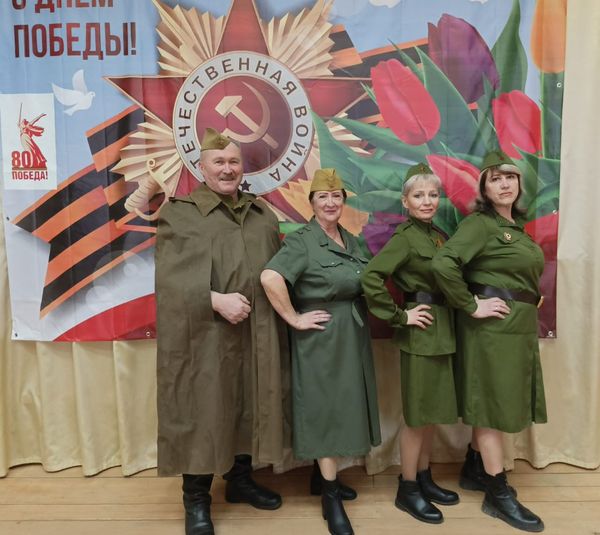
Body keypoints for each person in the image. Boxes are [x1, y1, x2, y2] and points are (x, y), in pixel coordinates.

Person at [155, 128, 291, 535]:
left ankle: (240, 480)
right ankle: (196, 498)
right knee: (204, 407)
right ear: (202, 168)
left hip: (257, 332)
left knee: (250, 400)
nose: (227, 169)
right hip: (206, 335)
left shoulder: (262, 213)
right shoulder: (180, 213)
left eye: (234, 161)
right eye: (219, 162)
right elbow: (169, 280)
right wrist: (214, 299)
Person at [260, 168, 381, 535]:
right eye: (323, 197)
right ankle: (330, 496)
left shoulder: (351, 240)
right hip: (321, 338)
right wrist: (294, 318)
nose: (330, 203)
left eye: (336, 196)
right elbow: (270, 277)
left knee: (342, 407)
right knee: (324, 410)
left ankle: (322, 478)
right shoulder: (302, 241)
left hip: (351, 335)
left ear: (343, 201)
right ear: (311, 202)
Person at [432, 150, 547, 533]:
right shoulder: (480, 224)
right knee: (490, 407)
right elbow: (443, 263)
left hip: (515, 332)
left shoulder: (515, 226)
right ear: (484, 188)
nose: (505, 184)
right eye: (495, 178)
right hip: (490, 333)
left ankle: (473, 468)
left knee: (499, 400)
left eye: (510, 177)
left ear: (519, 183)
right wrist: (471, 304)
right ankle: (497, 493)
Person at [361, 163, 459, 525]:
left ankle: (423, 476)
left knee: (429, 412)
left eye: (433, 194)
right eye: (419, 195)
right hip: (421, 335)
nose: (427, 201)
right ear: (406, 201)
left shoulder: (438, 236)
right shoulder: (404, 237)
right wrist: (400, 316)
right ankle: (407, 487)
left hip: (442, 330)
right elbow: (372, 277)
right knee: (417, 416)